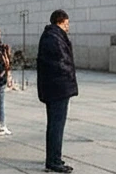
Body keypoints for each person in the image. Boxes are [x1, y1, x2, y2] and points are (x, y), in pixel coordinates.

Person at [37, 9, 77, 174]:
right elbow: (61, 62)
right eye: (67, 23)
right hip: (58, 88)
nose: (68, 27)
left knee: (55, 124)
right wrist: (69, 76)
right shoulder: (54, 38)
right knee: (56, 125)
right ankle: (53, 161)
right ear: (61, 22)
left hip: (55, 87)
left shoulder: (51, 36)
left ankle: (54, 158)